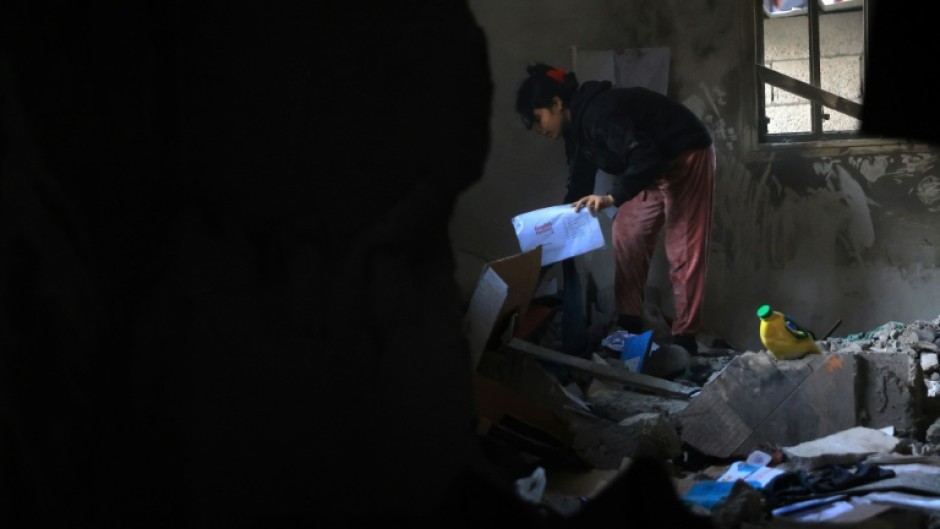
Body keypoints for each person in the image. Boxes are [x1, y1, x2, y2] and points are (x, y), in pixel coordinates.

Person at [515, 62, 716, 355]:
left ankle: (685, 340)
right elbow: (579, 184)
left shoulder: (599, 113)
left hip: (684, 154)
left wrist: (611, 198)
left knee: (683, 247)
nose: (538, 129)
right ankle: (628, 325)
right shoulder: (575, 132)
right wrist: (550, 239)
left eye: (538, 119)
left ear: (556, 104)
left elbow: (644, 153)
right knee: (627, 231)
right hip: (651, 167)